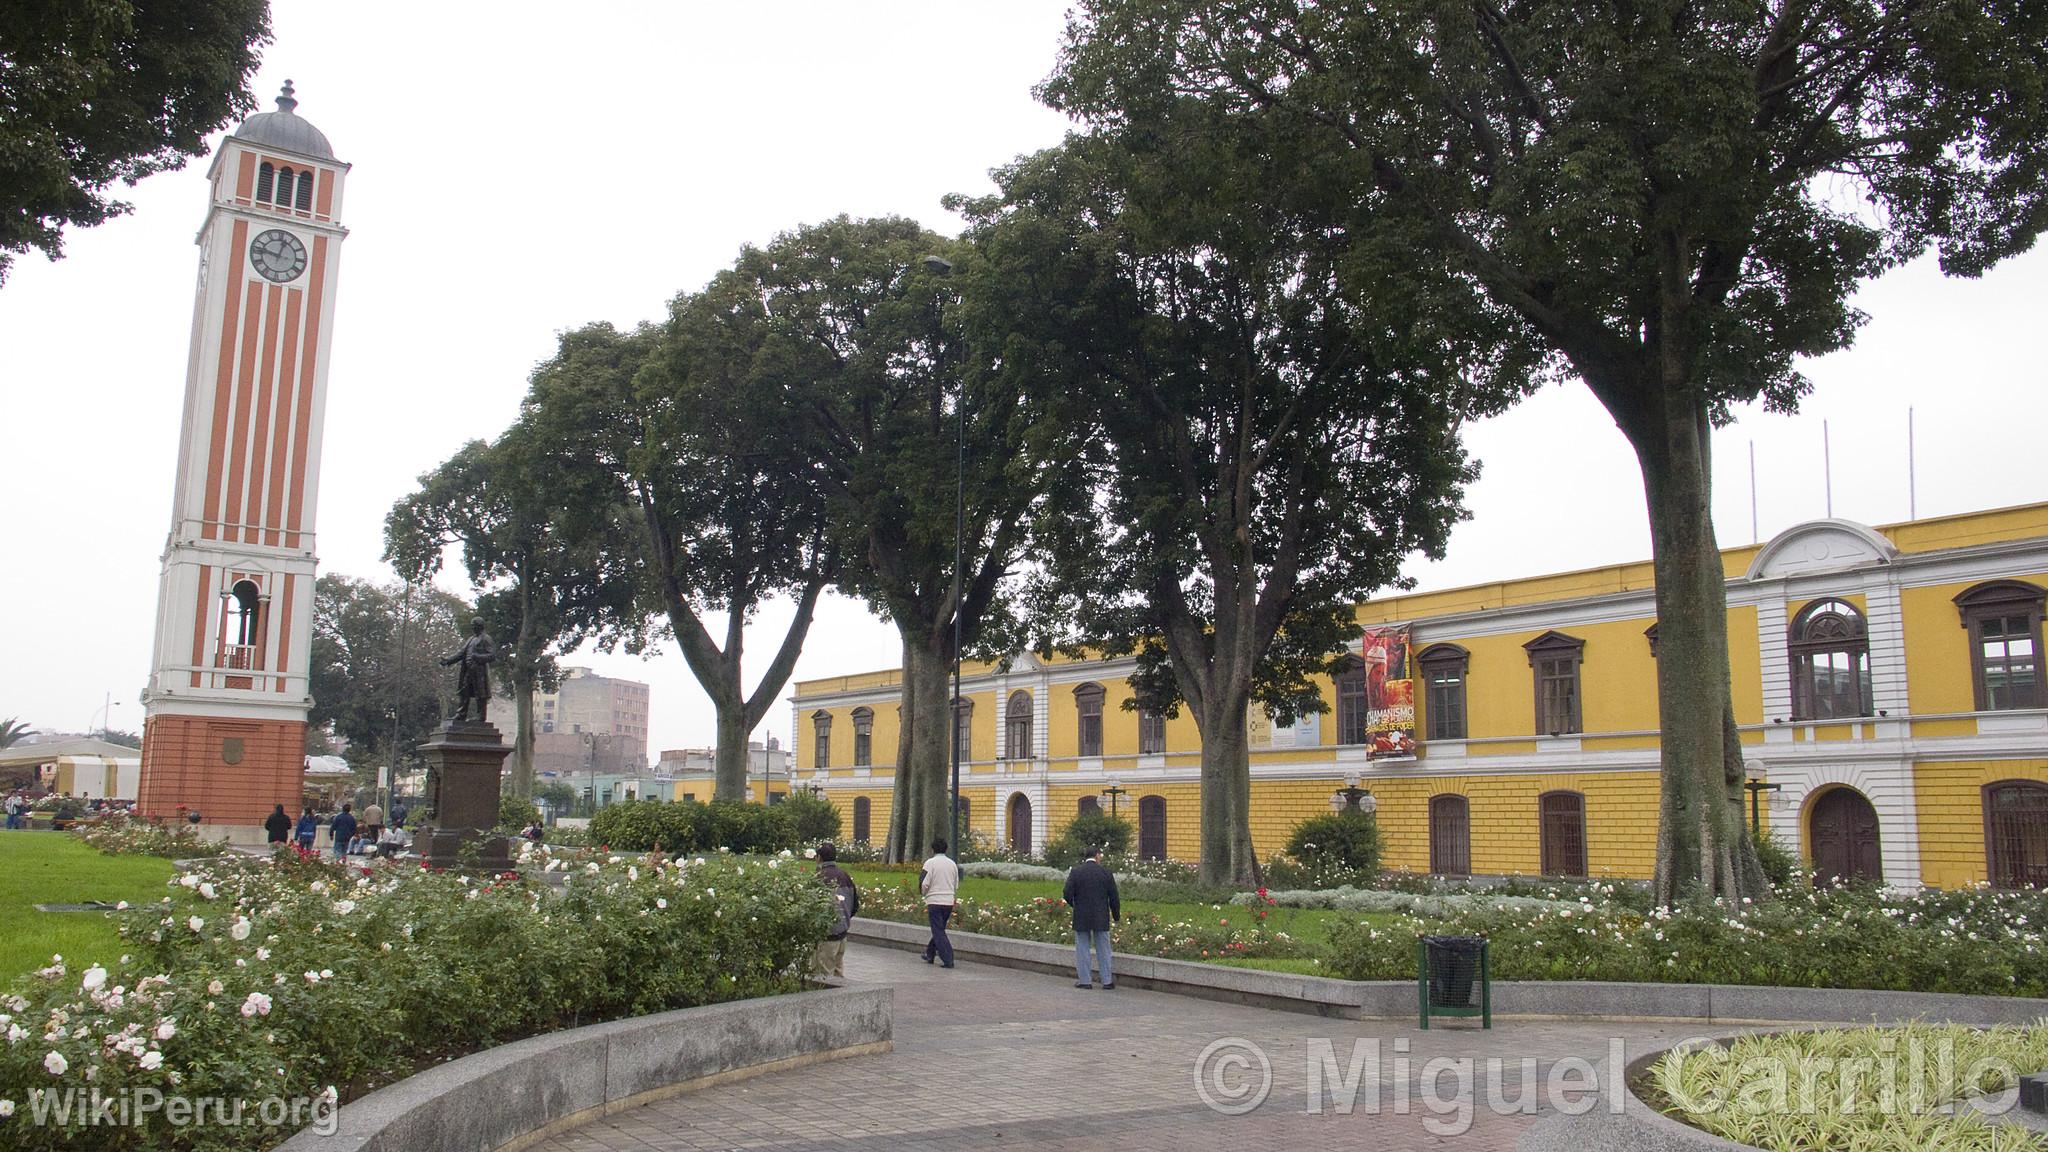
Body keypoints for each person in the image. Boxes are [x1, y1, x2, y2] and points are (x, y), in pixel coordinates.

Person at [1063, 844, 1122, 989]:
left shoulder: (1076, 872)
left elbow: (1067, 893)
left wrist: (1075, 905)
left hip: (1081, 915)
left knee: (1082, 947)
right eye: (1100, 855)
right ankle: (1107, 981)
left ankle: (1085, 981)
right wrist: (1116, 915)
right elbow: (1114, 897)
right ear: (1096, 856)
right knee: (1103, 948)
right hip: (1100, 915)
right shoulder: (1105, 873)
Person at [812, 843, 860, 978]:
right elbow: (855, 904)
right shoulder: (845, 876)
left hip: (826, 935)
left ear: (819, 858)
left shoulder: (819, 877)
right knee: (838, 972)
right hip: (842, 933)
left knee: (824, 975)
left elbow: (811, 907)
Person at [439, 617, 498, 722]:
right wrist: (448, 660)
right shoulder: (471, 639)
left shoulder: (486, 638)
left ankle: (481, 716)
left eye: (474, 626)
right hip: (468, 670)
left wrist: (477, 656)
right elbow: (461, 653)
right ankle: (461, 714)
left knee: (480, 694)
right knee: (464, 692)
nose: (472, 628)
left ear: (479, 626)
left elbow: (492, 655)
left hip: (479, 671)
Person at [920, 837, 959, 969]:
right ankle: (929, 953)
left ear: (932, 849)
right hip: (948, 901)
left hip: (934, 901)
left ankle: (948, 958)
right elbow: (956, 883)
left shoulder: (929, 863)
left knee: (938, 931)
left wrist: (924, 893)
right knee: (939, 929)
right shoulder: (952, 864)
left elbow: (924, 883)